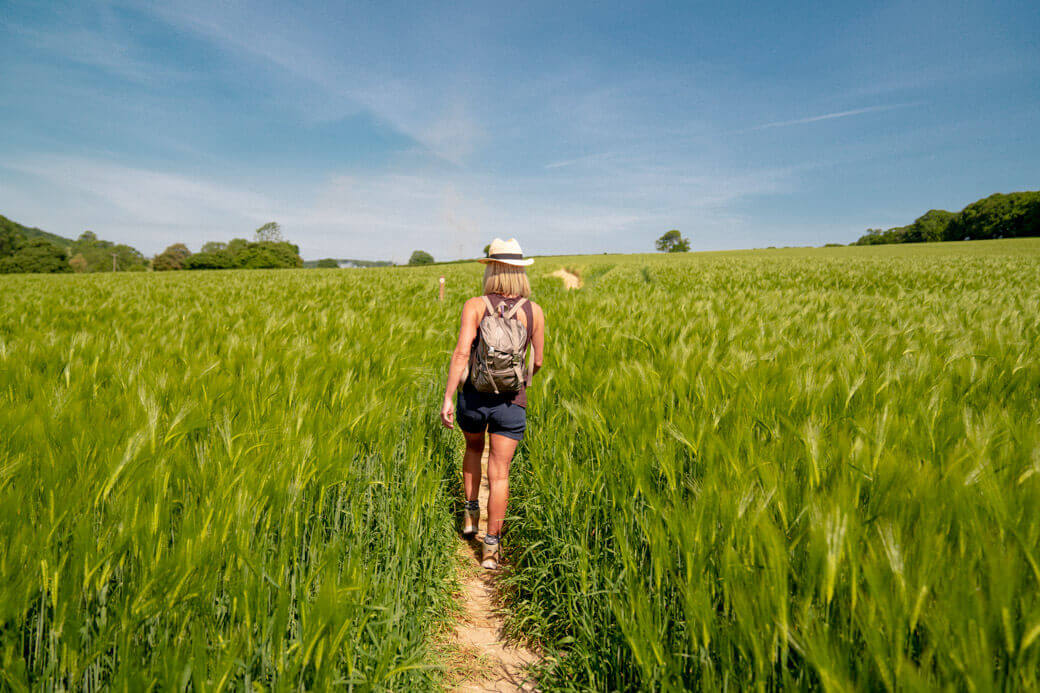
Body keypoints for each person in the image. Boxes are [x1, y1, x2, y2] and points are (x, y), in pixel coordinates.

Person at [440, 238, 545, 569]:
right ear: (520, 272)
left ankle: (470, 517)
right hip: (511, 402)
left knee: (472, 450)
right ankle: (491, 548)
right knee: (499, 474)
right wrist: (516, 380)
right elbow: (538, 361)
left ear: (491, 270)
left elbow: (461, 353)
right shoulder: (534, 311)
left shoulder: (474, 305)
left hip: (472, 397)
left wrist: (447, 396)